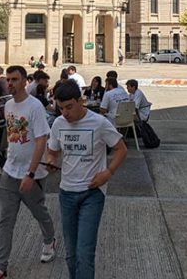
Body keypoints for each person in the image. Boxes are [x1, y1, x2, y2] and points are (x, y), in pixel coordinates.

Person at [45, 81, 127, 279]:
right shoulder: (58, 124)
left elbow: (121, 149)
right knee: (71, 255)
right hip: (66, 194)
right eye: (61, 108)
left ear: (80, 101)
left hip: (92, 193)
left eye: (69, 107)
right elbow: (53, 151)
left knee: (84, 253)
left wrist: (107, 173)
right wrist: (50, 161)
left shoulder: (98, 123)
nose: (65, 112)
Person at [0, 65, 58, 279]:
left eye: (15, 79)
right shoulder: (8, 106)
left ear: (25, 81)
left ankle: (49, 240)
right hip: (10, 172)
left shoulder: (35, 107)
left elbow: (42, 139)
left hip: (31, 174)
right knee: (5, 220)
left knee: (39, 212)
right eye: (8, 79)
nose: (11, 83)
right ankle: (0, 267)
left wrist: (31, 173)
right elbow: (12, 135)